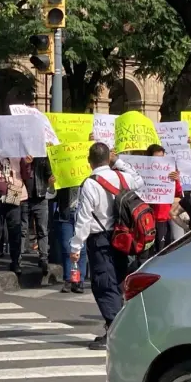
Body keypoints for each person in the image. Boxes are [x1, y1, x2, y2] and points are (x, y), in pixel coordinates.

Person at [69, 143, 144, 350]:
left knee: (104, 283)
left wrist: (76, 247)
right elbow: (139, 179)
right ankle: (120, 327)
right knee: (118, 280)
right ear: (108, 159)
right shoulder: (122, 177)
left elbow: (84, 218)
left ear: (89, 160)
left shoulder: (91, 184)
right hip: (122, 236)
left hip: (100, 238)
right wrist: (118, 161)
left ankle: (114, 330)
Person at [0, 153, 32, 275]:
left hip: (14, 191)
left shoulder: (18, 153)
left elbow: (26, 175)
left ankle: (15, 261)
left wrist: (27, 163)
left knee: (14, 227)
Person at [145, 144, 183, 252]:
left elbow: (177, 193)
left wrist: (175, 180)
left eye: (162, 157)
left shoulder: (169, 171)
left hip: (164, 217)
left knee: (164, 250)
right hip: (148, 219)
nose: (160, 161)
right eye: (156, 158)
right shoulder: (143, 173)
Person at [21, 156, 54, 275]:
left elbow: (49, 174)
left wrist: (51, 180)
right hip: (24, 198)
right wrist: (26, 164)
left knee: (42, 229)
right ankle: (19, 258)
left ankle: (43, 258)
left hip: (41, 197)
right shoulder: (22, 157)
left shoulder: (43, 158)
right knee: (23, 229)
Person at [57, 187, 87, 294]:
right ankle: (68, 279)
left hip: (82, 214)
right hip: (66, 213)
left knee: (82, 248)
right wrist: (52, 186)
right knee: (67, 247)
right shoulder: (64, 177)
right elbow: (51, 195)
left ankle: (79, 280)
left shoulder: (87, 180)